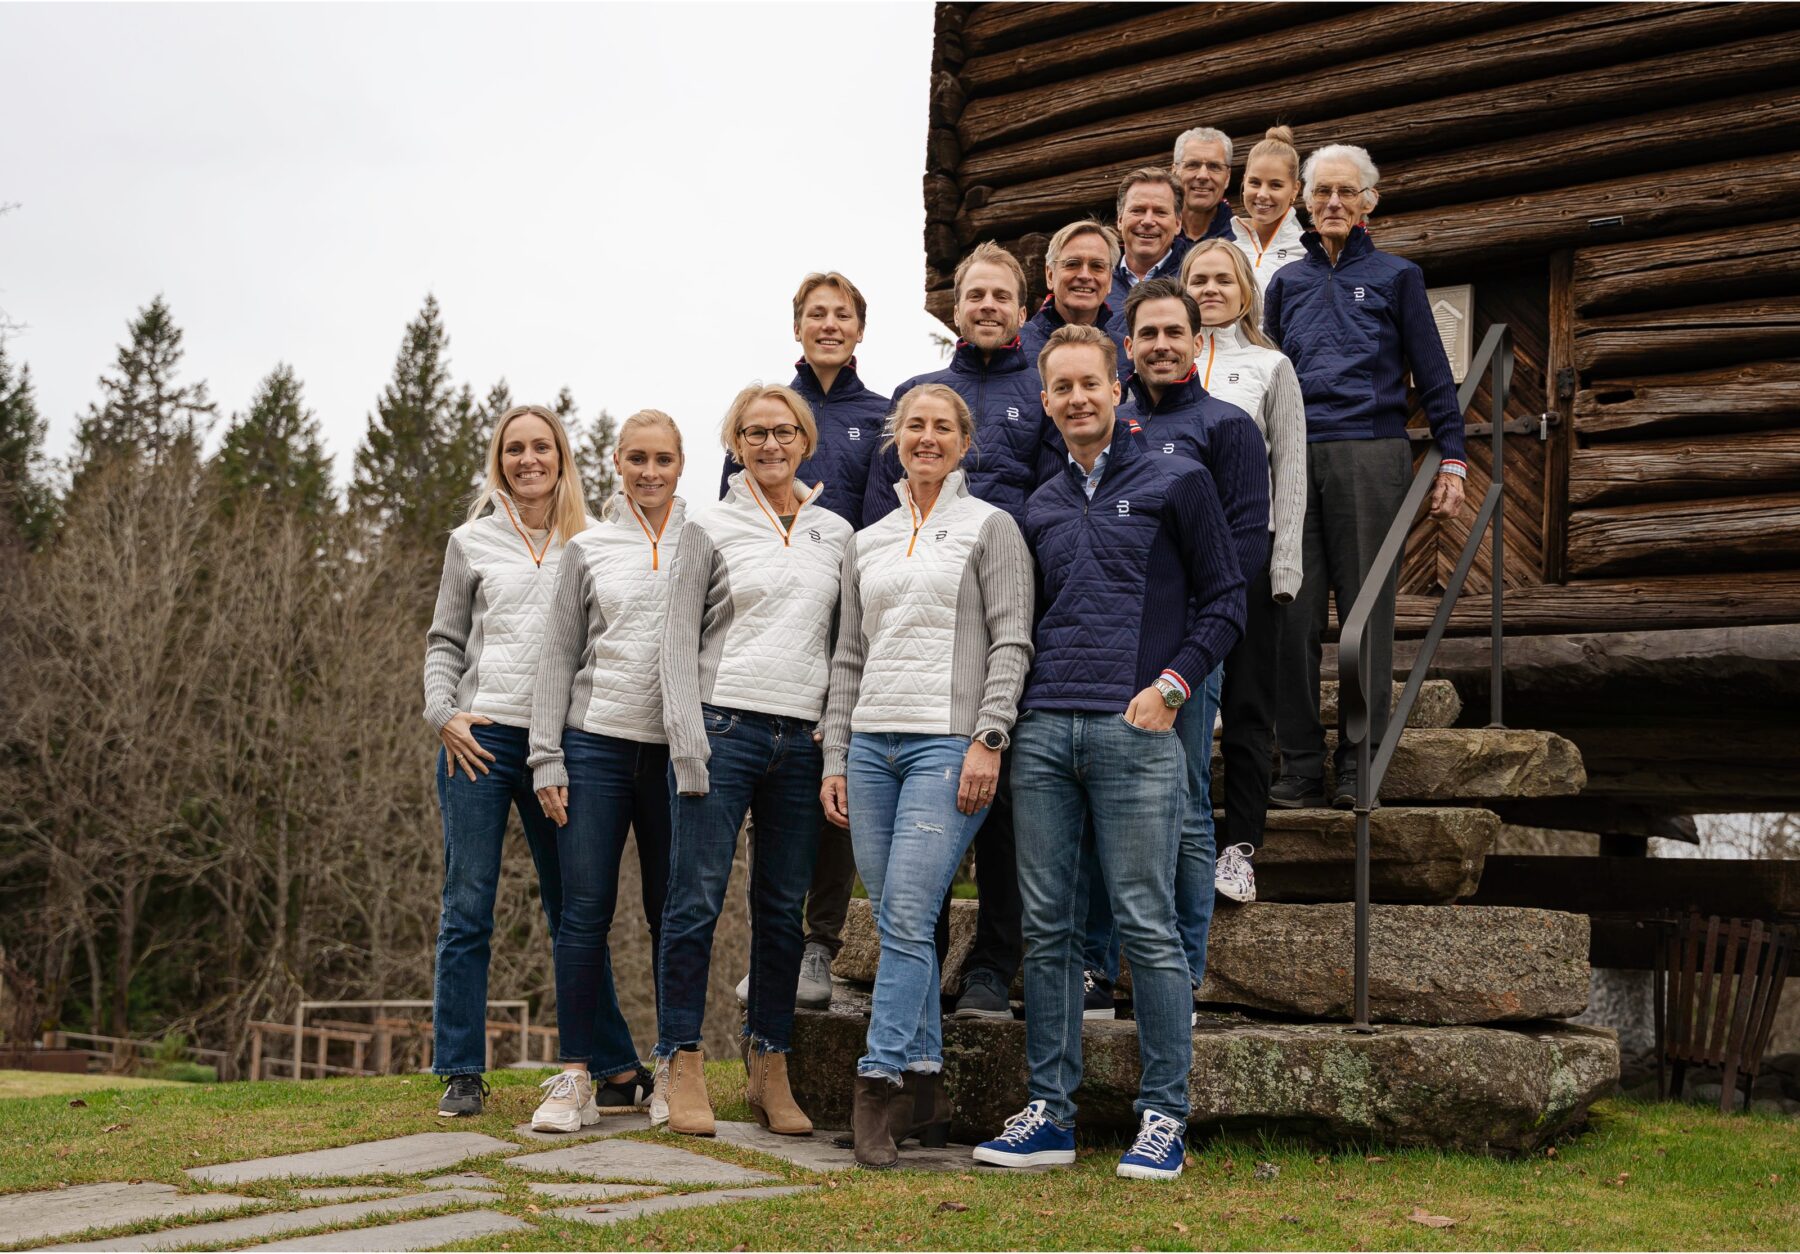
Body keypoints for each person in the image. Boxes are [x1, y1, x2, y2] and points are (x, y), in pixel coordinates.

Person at [974, 323, 1244, 1181]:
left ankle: (1165, 1115)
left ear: (1117, 388)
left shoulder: (1178, 478)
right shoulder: (1040, 504)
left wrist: (1173, 686)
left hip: (1138, 731)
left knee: (1145, 925)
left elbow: (1226, 599)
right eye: (1062, 388)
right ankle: (1050, 1113)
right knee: (1048, 929)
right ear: (1046, 401)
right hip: (1047, 730)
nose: (1078, 399)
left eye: (1091, 384)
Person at [820, 383, 1034, 1169]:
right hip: (872, 745)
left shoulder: (991, 528)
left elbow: (1012, 641)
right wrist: (836, 755)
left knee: (907, 917)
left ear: (964, 440)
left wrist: (989, 737)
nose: (928, 437)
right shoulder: (866, 540)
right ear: (895, 438)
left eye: (943, 426)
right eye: (915, 425)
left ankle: (875, 1083)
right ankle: (927, 1089)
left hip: (948, 744)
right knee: (896, 917)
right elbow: (848, 656)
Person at [656, 383, 855, 1137]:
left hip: (799, 743)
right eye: (753, 434)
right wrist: (688, 738)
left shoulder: (836, 534)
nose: (769, 445)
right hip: (723, 728)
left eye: (782, 431)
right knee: (694, 902)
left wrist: (833, 743)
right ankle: (681, 1060)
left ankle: (769, 1066)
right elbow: (674, 639)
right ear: (736, 445)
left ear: (805, 439)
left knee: (781, 912)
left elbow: (845, 650)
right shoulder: (706, 523)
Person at [865, 240, 1050, 1024]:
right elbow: (887, 509)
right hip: (930, 622)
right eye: (973, 294)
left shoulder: (1038, 390)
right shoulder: (920, 392)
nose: (986, 306)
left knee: (1001, 805)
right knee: (919, 826)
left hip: (1011, 606)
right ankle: (925, 955)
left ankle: (991, 966)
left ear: (1020, 306)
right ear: (955, 306)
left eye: (1000, 296)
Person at [1075, 278, 1269, 1011]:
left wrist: (1196, 647)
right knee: (1099, 804)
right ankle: (1095, 964)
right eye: (1147, 334)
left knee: (1184, 805)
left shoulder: (1227, 428)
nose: (1160, 345)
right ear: (1128, 346)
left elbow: (1245, 547)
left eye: (1173, 333)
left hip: (1185, 652)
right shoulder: (1108, 425)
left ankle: (1179, 970)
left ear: (1197, 342)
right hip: (1104, 645)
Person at [1265, 143, 1467, 812]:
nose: (1332, 203)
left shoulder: (1396, 276)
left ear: (1368, 202)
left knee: (1365, 616)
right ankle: (1297, 762)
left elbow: (1434, 374)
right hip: (1295, 458)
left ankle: (1358, 757)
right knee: (1290, 616)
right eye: (1321, 192)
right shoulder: (1285, 284)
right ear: (1305, 201)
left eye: (1345, 193)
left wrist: (1455, 459)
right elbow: (1268, 378)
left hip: (1369, 451)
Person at [722, 272, 891, 1014]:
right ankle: (774, 945)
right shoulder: (764, 417)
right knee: (775, 800)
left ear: (859, 328)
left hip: (847, 619)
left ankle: (820, 944)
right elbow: (735, 524)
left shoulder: (879, 418)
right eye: (816, 315)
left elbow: (887, 525)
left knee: (836, 787)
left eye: (842, 315)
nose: (829, 325)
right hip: (772, 634)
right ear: (798, 328)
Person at [423, 403, 588, 1118]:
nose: (529, 460)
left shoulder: (592, 541)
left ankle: (600, 1063)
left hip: (561, 744)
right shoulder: (471, 542)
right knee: (468, 906)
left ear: (560, 457)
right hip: (480, 741)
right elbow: (443, 642)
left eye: (541, 447)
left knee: (574, 909)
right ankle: (461, 1067)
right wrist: (443, 712)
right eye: (515, 448)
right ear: (500, 459)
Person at [525, 410, 686, 1132]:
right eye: (637, 459)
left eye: (663, 459)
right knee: (583, 914)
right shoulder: (588, 548)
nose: (650, 472)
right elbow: (556, 655)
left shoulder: (703, 542)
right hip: (592, 745)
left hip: (674, 755)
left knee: (669, 916)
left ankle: (669, 1075)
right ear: (617, 463)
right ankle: (575, 1077)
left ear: (681, 465)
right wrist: (545, 754)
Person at [1183, 239, 1307, 900]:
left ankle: (1239, 848)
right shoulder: (1162, 365)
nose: (1209, 289)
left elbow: (1290, 468)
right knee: (1185, 703)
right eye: (1198, 278)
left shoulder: (1269, 365)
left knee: (1249, 706)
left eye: (1221, 279)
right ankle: (1186, 837)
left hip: (1248, 553)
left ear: (1244, 290)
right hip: (1176, 562)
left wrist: (1283, 563)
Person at [1018, 219, 1128, 377]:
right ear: (1050, 275)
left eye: (1097, 266)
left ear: (1109, 280)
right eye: (1072, 264)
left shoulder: (1126, 353)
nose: (1085, 275)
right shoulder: (1016, 346)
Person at [1228, 126, 1306, 300]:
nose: (1262, 194)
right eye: (1255, 183)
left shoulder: (1307, 251)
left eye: (1275, 185)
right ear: (1244, 182)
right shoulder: (1227, 250)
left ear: (1295, 190)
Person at [1107, 167, 1189, 312]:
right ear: (1120, 220)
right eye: (1137, 210)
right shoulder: (1096, 280)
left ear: (1178, 223)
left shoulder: (1195, 278)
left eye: (1160, 212)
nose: (1148, 221)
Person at [1173, 125, 1236, 244]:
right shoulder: (1155, 233)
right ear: (1175, 172)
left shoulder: (1241, 242)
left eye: (1214, 166)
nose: (1203, 175)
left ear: (1227, 177)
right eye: (1193, 165)